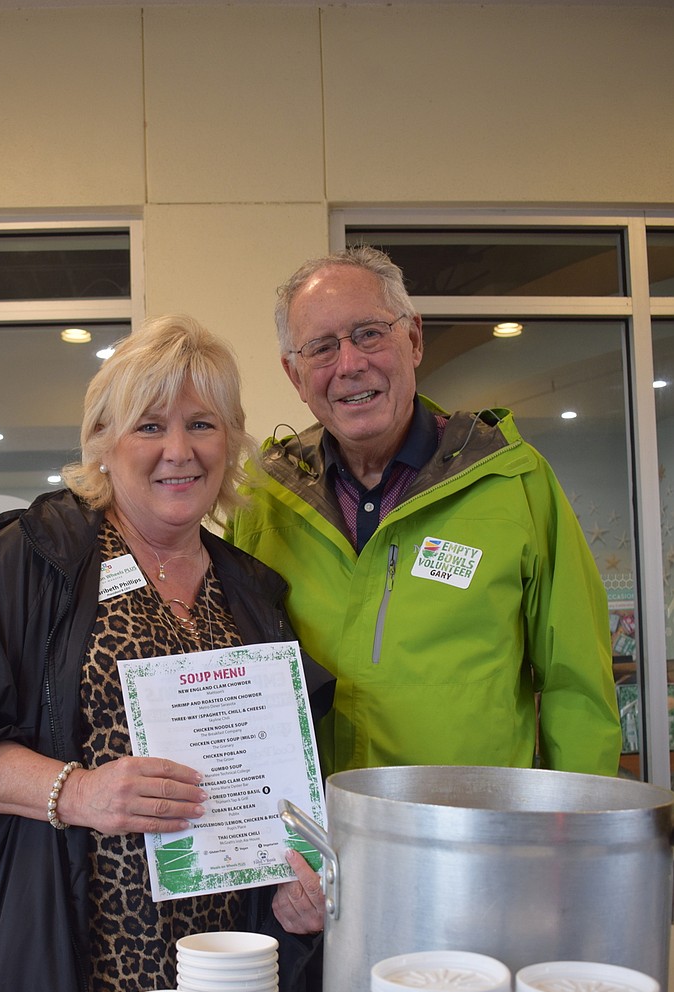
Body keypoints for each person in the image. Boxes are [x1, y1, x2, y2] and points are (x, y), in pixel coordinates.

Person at [0, 314, 331, 992]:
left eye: (202, 424)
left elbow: (284, 771)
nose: (178, 449)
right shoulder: (34, 559)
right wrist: (77, 790)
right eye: (149, 425)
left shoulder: (251, 590)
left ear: (229, 441)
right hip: (71, 972)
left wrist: (305, 871)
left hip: (221, 972)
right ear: (102, 440)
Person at [228, 246, 622, 820]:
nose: (350, 365)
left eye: (368, 334)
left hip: (475, 845)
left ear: (413, 339)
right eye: (321, 348)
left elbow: (576, 680)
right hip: (312, 851)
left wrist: (577, 836)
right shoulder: (262, 499)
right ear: (294, 373)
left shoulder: (513, 480)